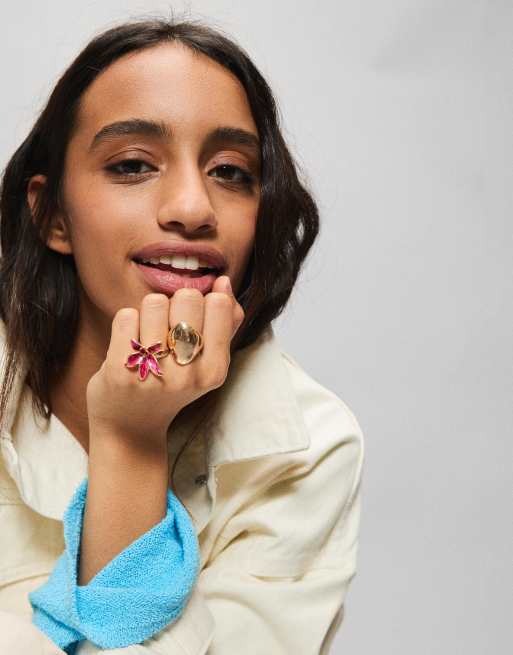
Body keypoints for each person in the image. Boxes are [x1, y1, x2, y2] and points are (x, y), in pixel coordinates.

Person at [0, 13, 365, 655]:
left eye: (230, 172)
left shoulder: (308, 448)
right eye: (133, 164)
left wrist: (131, 439)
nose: (194, 208)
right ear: (52, 214)